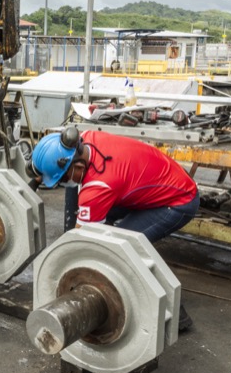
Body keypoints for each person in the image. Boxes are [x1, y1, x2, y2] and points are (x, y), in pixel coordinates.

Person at [29, 127, 199, 328]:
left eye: (63, 179)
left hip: (179, 201)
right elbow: (66, 168)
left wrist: (54, 274)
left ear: (78, 166)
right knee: (95, 223)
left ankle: (174, 312)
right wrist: (40, 175)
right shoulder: (87, 138)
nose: (63, 183)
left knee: (123, 249)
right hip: (156, 180)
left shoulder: (98, 188)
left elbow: (80, 241)